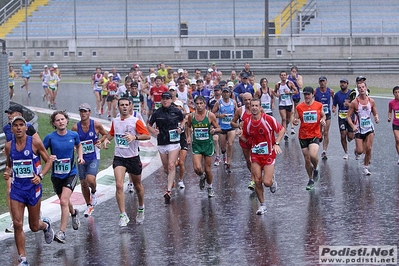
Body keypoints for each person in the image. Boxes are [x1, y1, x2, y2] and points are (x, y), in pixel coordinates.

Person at [3, 116, 54, 266]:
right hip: (17, 189)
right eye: (15, 126)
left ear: (26, 128)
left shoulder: (35, 142)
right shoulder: (8, 146)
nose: (18, 128)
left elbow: (48, 161)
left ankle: (45, 225)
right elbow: (9, 166)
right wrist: (8, 173)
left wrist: (41, 176)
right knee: (17, 224)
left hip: (33, 189)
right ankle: (23, 259)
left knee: (33, 226)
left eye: (21, 125)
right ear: (11, 129)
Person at [103, 97, 150, 226]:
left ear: (130, 107)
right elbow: (112, 133)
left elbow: (147, 135)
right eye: (121, 105)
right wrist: (107, 139)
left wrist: (135, 137)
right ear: (118, 107)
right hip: (119, 158)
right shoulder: (116, 120)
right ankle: (123, 215)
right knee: (119, 185)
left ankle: (141, 208)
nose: (124, 107)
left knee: (137, 185)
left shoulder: (136, 121)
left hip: (133, 157)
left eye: (126, 105)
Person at [237, 98, 285, 215]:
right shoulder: (247, 122)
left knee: (266, 182)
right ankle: (263, 205)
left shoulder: (268, 119)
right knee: (257, 180)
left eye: (256, 105)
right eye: (252, 105)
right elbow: (247, 140)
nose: (254, 107)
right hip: (255, 155)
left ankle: (272, 182)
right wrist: (240, 136)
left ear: (260, 107)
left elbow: (282, 129)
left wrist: (277, 143)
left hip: (268, 154)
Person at [43, 110, 84, 243]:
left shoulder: (74, 135)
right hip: (56, 175)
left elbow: (79, 145)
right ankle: (74, 213)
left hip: (71, 174)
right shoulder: (50, 137)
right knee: (64, 201)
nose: (60, 122)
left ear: (66, 120)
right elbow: (41, 152)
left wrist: (80, 157)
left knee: (63, 201)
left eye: (62, 119)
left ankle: (62, 232)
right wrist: (49, 158)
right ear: (54, 123)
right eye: (57, 120)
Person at [3, 105, 39, 234]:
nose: (9, 115)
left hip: (29, 164)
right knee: (9, 191)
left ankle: (36, 217)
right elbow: (8, 144)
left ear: (19, 114)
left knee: (34, 224)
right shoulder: (7, 128)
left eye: (11, 113)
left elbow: (37, 143)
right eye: (8, 113)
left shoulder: (28, 127)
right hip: (14, 165)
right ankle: (15, 221)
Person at [71, 103, 108, 217]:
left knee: (90, 179)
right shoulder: (75, 127)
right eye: (81, 111)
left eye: (85, 111)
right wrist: (74, 147)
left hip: (93, 156)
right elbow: (72, 141)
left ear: (89, 112)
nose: (83, 113)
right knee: (83, 183)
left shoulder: (96, 124)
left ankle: (94, 192)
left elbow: (105, 134)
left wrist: (100, 141)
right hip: (82, 158)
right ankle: (88, 205)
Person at [147, 92, 184, 204]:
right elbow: (148, 124)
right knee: (166, 168)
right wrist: (153, 131)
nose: (165, 101)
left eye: (167, 99)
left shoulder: (176, 111)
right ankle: (170, 180)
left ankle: (168, 191)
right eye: (163, 99)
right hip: (162, 142)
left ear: (171, 100)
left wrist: (180, 128)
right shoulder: (157, 112)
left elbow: (183, 120)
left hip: (174, 142)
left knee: (171, 165)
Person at [186, 96, 221, 198]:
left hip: (208, 145)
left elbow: (218, 128)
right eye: (197, 104)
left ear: (205, 104)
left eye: (201, 103)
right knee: (197, 168)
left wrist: (214, 130)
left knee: (208, 169)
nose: (199, 106)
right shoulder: (191, 116)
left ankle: (210, 187)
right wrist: (188, 137)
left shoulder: (210, 115)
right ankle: (202, 177)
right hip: (197, 144)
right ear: (195, 105)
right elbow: (188, 126)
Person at [293, 86, 326, 190]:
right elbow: (295, 118)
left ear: (312, 95)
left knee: (312, 154)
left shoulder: (318, 105)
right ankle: (310, 179)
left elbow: (323, 115)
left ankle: (316, 168)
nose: (306, 96)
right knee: (307, 160)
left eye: (308, 94)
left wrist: (323, 120)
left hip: (315, 134)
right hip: (303, 135)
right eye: (305, 94)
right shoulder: (299, 107)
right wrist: (295, 121)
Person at [347, 82, 379, 175]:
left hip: (369, 128)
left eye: (363, 87)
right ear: (357, 89)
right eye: (359, 88)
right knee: (360, 151)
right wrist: (353, 126)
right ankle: (356, 151)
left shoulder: (371, 101)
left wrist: (376, 117)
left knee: (368, 148)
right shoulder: (354, 103)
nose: (361, 89)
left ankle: (365, 167)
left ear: (366, 88)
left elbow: (375, 113)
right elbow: (348, 116)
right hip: (359, 129)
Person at [231, 92, 255, 190]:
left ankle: (254, 179)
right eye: (246, 100)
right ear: (243, 101)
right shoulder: (240, 110)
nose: (248, 102)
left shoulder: (257, 109)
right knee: (248, 161)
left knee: (255, 159)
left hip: (255, 138)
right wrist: (238, 126)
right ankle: (254, 177)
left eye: (249, 99)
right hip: (244, 138)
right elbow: (232, 122)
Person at [212, 87, 238, 173]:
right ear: (222, 93)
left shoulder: (233, 102)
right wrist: (220, 116)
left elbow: (237, 113)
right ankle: (223, 154)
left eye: (227, 92)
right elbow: (212, 114)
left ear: (230, 93)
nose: (226, 94)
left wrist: (237, 124)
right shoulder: (218, 103)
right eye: (224, 92)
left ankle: (228, 163)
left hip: (231, 127)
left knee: (230, 144)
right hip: (222, 128)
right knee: (223, 147)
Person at [332, 78, 354, 159]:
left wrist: (349, 105)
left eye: (344, 83)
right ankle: (346, 152)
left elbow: (356, 104)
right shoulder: (337, 94)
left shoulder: (352, 93)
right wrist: (334, 108)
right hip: (341, 117)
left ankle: (351, 135)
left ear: (347, 84)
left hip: (351, 117)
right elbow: (334, 104)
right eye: (341, 83)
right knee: (343, 134)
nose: (342, 84)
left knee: (351, 137)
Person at [314, 76, 334, 160]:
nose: (322, 83)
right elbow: (310, 99)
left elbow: (334, 99)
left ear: (326, 82)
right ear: (319, 82)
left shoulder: (330, 91)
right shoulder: (315, 91)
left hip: (327, 114)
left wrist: (334, 106)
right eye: (321, 81)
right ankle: (316, 148)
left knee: (326, 132)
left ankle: (324, 151)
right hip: (318, 114)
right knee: (319, 132)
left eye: (323, 81)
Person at [274, 71, 298, 142]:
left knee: (288, 118)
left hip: (289, 103)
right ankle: (285, 133)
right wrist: (276, 95)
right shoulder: (277, 84)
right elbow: (274, 92)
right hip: (281, 104)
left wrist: (290, 92)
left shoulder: (289, 83)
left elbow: (296, 91)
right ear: (280, 76)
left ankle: (286, 127)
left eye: (284, 75)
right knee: (284, 118)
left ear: (286, 76)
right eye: (282, 75)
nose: (283, 76)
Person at [208, 85, 222, 166]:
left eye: (218, 90)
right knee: (215, 139)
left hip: (223, 123)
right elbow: (209, 112)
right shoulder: (211, 101)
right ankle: (217, 156)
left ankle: (224, 154)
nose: (216, 92)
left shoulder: (224, 100)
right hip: (214, 122)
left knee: (224, 142)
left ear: (221, 91)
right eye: (215, 90)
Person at [287, 66, 303, 135]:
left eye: (295, 72)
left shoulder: (299, 77)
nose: (293, 73)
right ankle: (292, 128)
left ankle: (295, 120)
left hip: (297, 95)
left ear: (297, 72)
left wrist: (296, 79)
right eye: (292, 71)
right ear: (290, 72)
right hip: (290, 96)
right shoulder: (287, 77)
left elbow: (300, 86)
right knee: (292, 111)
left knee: (297, 110)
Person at [388, 86, 399, 165]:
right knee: (398, 140)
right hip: (396, 124)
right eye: (395, 92)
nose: (397, 94)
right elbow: (390, 111)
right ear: (393, 94)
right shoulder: (391, 103)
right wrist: (389, 117)